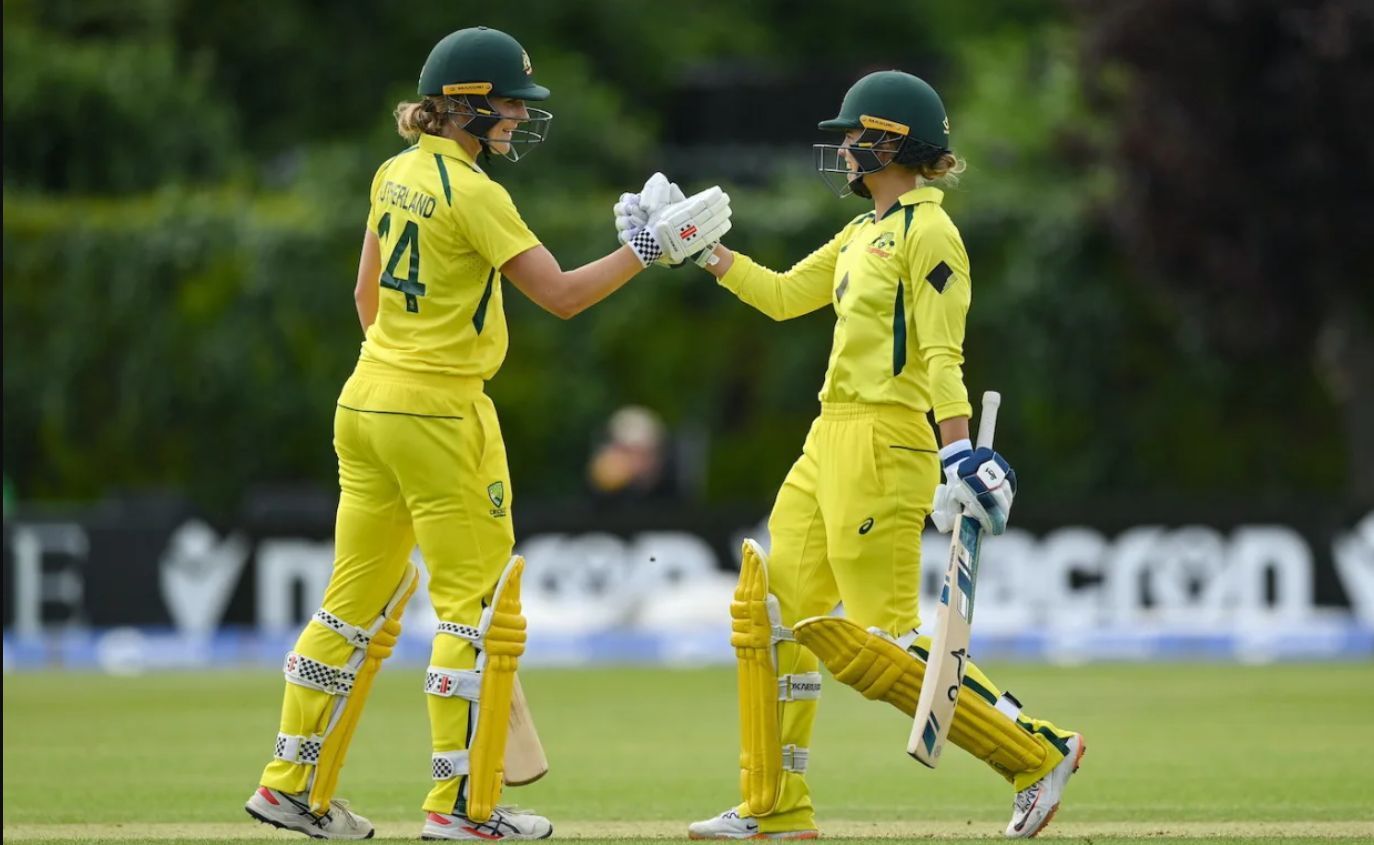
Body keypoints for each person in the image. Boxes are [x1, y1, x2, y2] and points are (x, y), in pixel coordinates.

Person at [243, 26, 730, 841]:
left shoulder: (392, 173)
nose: (516, 120)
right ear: (464, 107)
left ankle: (288, 782)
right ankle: (461, 805)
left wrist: (400, 366)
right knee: (476, 611)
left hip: (365, 400)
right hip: (439, 411)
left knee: (350, 604)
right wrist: (648, 250)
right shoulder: (475, 193)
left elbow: (366, 297)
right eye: (507, 106)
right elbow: (565, 297)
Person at [628, 70, 1084, 839]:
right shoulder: (861, 232)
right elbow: (778, 296)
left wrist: (959, 452)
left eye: (851, 136)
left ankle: (1038, 752)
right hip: (828, 435)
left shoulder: (929, 232)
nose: (840, 148)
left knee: (878, 646)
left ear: (889, 143)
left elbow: (943, 355)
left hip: (887, 438)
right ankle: (776, 805)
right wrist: (701, 251)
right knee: (777, 611)